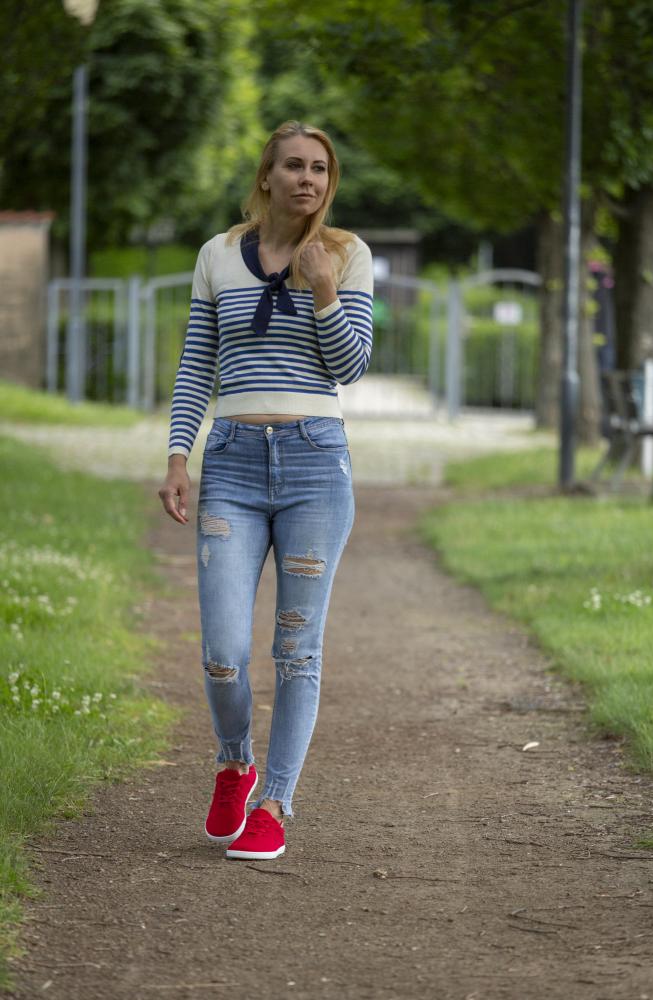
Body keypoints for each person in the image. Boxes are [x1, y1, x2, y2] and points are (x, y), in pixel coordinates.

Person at [158, 120, 373, 860]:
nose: (307, 178)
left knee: (295, 650)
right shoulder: (217, 255)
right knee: (221, 649)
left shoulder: (348, 256)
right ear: (267, 176)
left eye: (319, 168)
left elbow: (348, 368)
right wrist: (178, 456)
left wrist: (322, 290)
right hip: (233, 463)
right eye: (293, 165)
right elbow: (196, 365)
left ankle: (274, 802)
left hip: (317, 465)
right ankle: (233, 761)